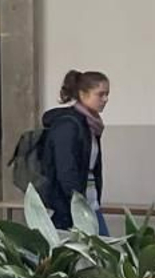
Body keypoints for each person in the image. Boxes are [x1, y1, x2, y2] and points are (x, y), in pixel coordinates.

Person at [40, 67, 110, 232]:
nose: (105, 99)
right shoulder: (69, 125)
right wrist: (78, 205)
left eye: (107, 94)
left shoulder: (91, 125)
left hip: (91, 203)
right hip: (70, 209)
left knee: (105, 250)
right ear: (83, 94)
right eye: (100, 94)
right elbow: (66, 170)